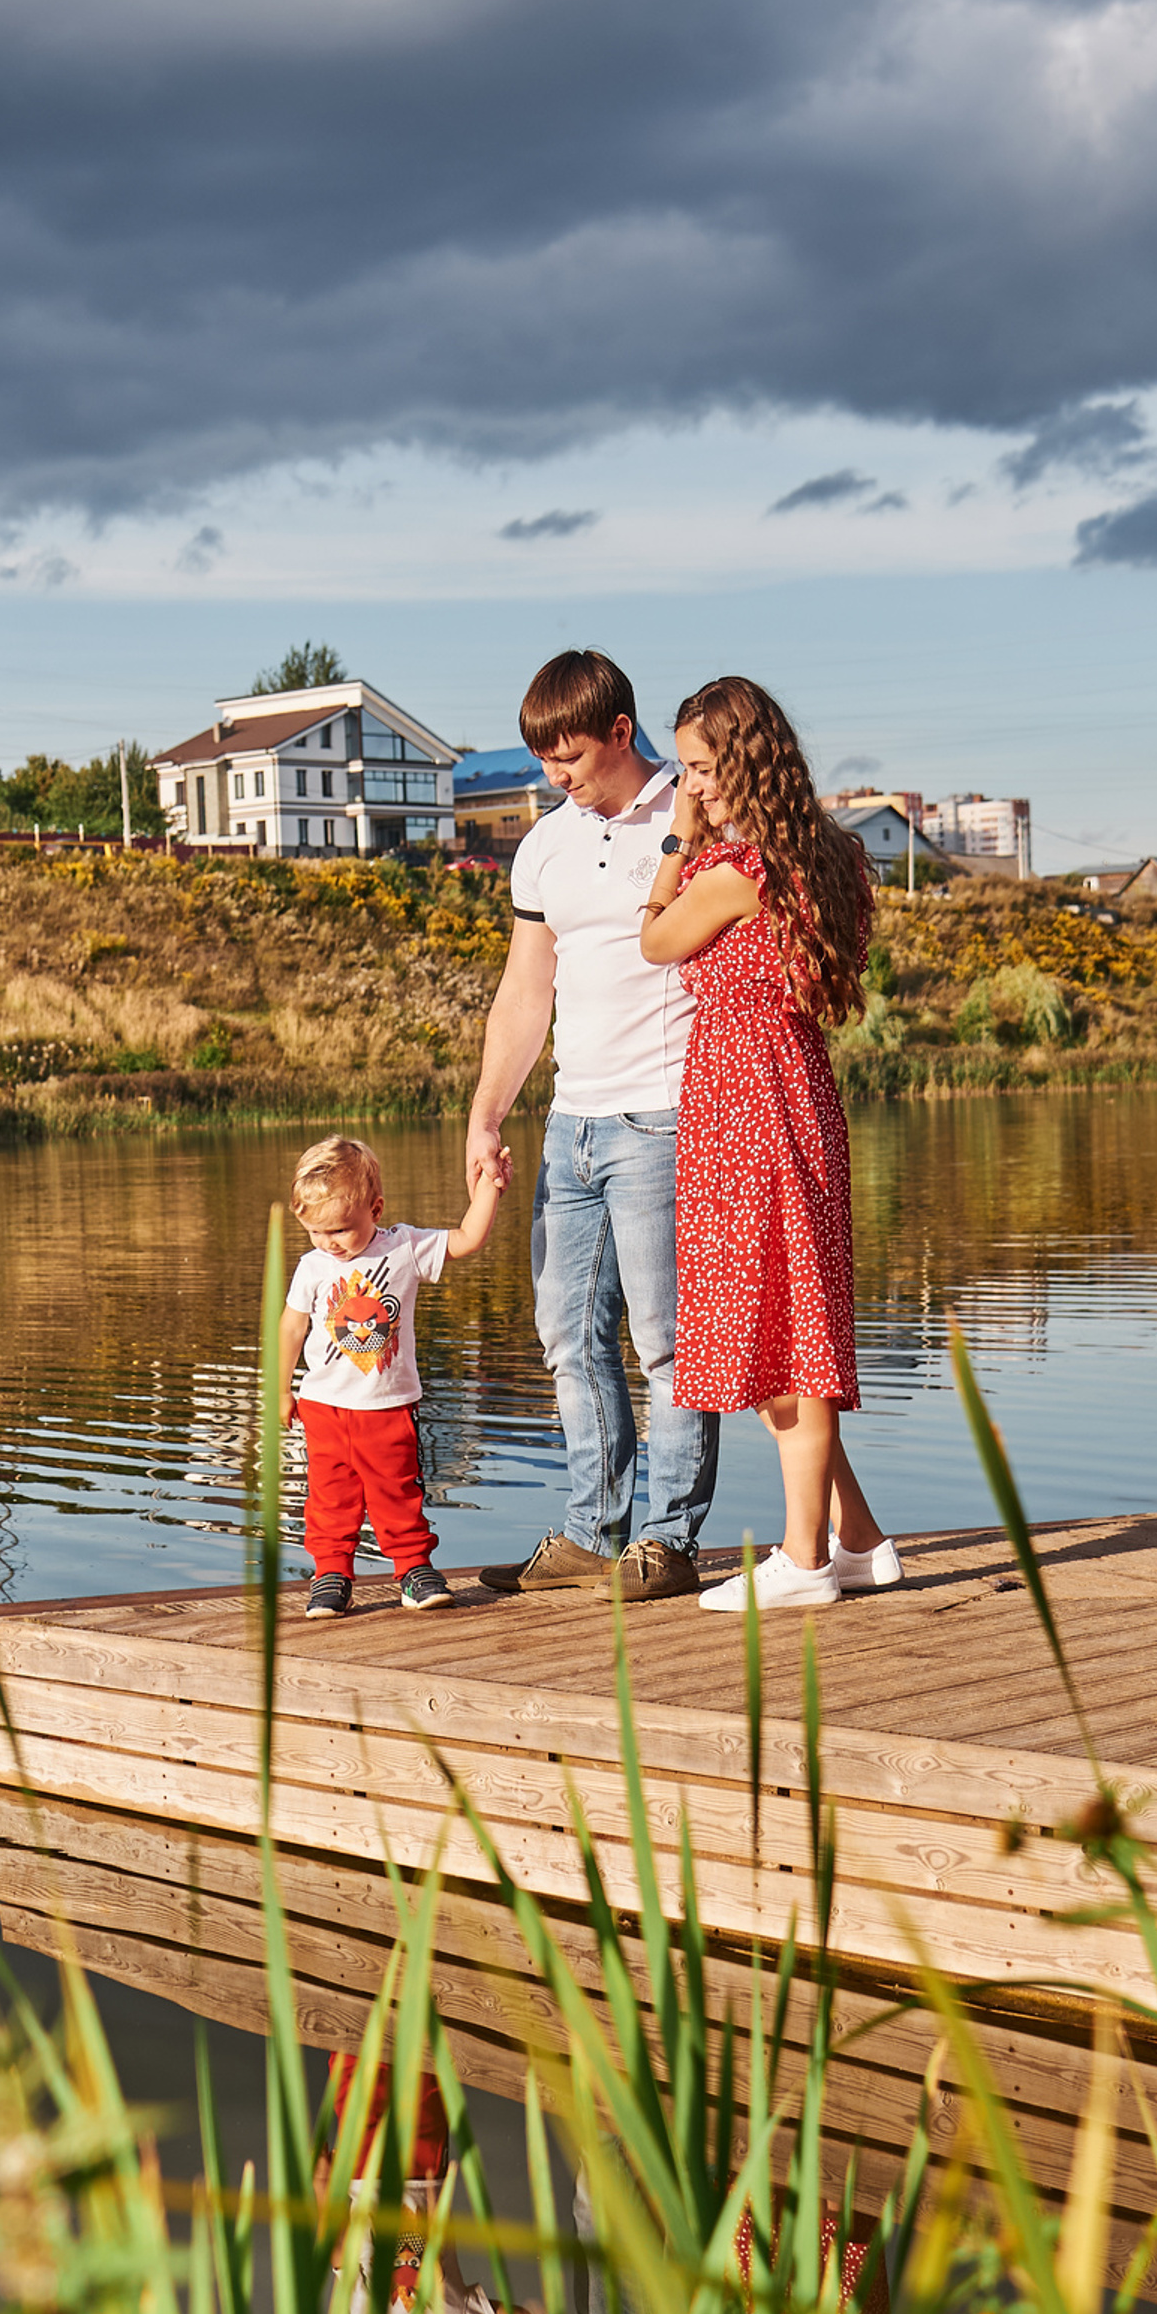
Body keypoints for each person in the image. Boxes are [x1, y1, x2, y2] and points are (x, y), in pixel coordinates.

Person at [635, 677, 901, 1612]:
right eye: (686, 773)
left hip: (740, 1098)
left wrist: (676, 831)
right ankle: (858, 1539)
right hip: (799, 1085)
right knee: (788, 1316)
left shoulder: (735, 872)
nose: (694, 786)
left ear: (741, 764)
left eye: (704, 769)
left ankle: (805, 1557)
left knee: (773, 1328)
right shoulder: (839, 859)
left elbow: (655, 940)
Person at [466, 650, 720, 1601]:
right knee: (568, 1334)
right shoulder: (546, 845)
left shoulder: (691, 815)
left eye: (569, 757)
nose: (555, 777)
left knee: (666, 1338)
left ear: (622, 732)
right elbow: (527, 992)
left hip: (664, 1115)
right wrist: (488, 1113)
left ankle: (668, 1538)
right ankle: (591, 1529)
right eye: (544, 761)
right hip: (570, 1123)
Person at [278, 1134, 504, 1617]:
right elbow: (291, 1328)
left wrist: (489, 1188)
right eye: (316, 1232)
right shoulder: (312, 1267)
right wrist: (279, 1389)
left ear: (375, 1209)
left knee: (397, 1490)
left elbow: (466, 1240)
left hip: (388, 1405)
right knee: (329, 1496)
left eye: (339, 1230)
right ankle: (331, 1575)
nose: (329, 1243)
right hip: (325, 1407)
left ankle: (413, 1570)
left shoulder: (403, 1247)